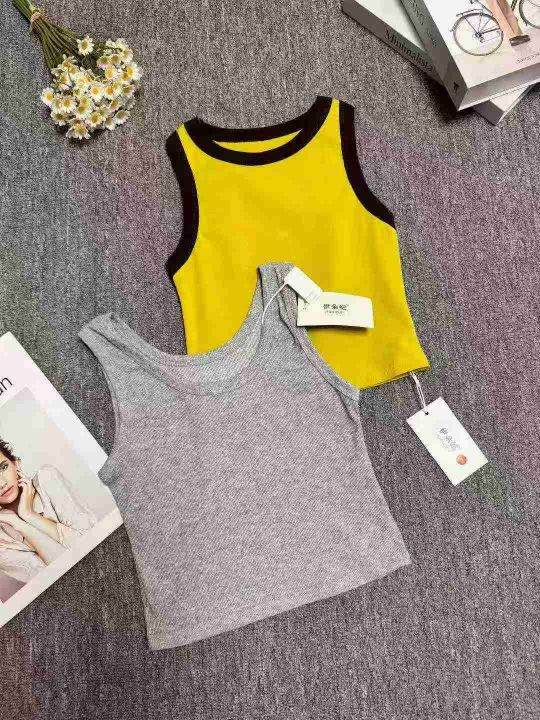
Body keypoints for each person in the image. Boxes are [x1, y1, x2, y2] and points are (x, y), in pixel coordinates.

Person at [0, 438, 97, 584]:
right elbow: (60, 578)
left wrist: (29, 515)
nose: (2, 483)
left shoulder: (46, 478)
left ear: (16, 464)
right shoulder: (2, 542)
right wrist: (19, 523)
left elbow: (93, 543)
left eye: (3, 467)